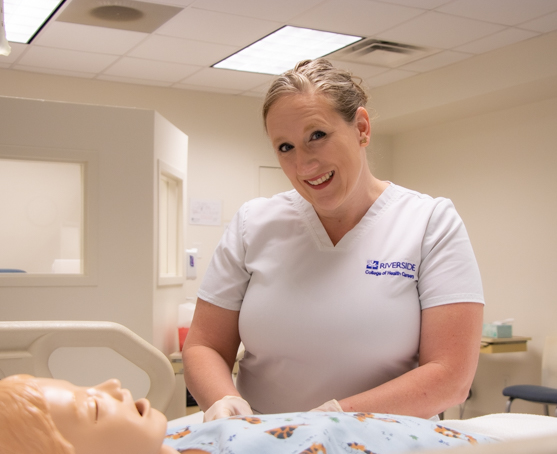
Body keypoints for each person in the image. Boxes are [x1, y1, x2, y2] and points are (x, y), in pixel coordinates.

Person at [182, 58, 485, 421]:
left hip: (388, 451)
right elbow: (204, 345)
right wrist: (222, 400)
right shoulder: (254, 224)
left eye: (317, 135)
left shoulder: (429, 223)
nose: (304, 164)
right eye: (285, 147)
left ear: (361, 127)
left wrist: (334, 418)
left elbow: (451, 376)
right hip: (266, 447)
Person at [0, 376, 497, 454]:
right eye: (92, 408)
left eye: (87, 386)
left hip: (464, 441)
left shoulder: (176, 438)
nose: (113, 384)